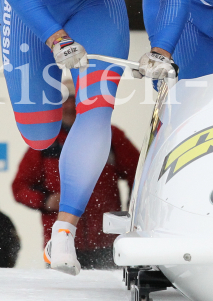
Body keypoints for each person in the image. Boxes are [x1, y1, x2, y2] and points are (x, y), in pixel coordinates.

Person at [0, 0, 189, 275]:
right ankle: (62, 221)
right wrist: (54, 37)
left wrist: (163, 49)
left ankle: (63, 234)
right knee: (40, 130)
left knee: (98, 106)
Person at [12, 79, 139, 269]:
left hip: (106, 244)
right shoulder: (46, 141)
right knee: (61, 297)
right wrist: (45, 201)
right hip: (60, 245)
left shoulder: (110, 136)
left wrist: (132, 215)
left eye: (75, 99)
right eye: (64, 100)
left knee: (108, 297)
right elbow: (20, 187)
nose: (70, 106)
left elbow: (137, 175)